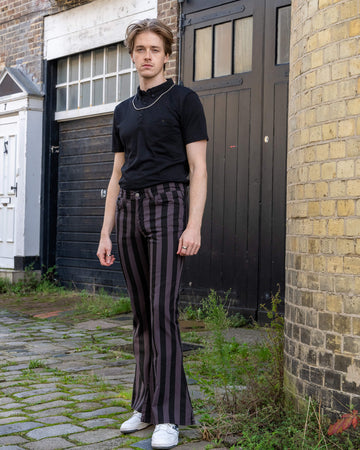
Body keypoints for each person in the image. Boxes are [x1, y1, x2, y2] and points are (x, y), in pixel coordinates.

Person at [96, 18, 207, 449]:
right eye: (140, 49)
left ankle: (169, 416)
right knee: (142, 313)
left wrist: (193, 224)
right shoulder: (122, 111)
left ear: (166, 55)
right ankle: (143, 405)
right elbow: (116, 174)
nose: (147, 56)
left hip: (169, 206)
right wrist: (105, 232)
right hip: (129, 210)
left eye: (154, 50)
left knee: (162, 310)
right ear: (132, 56)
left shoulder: (184, 100)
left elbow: (198, 169)